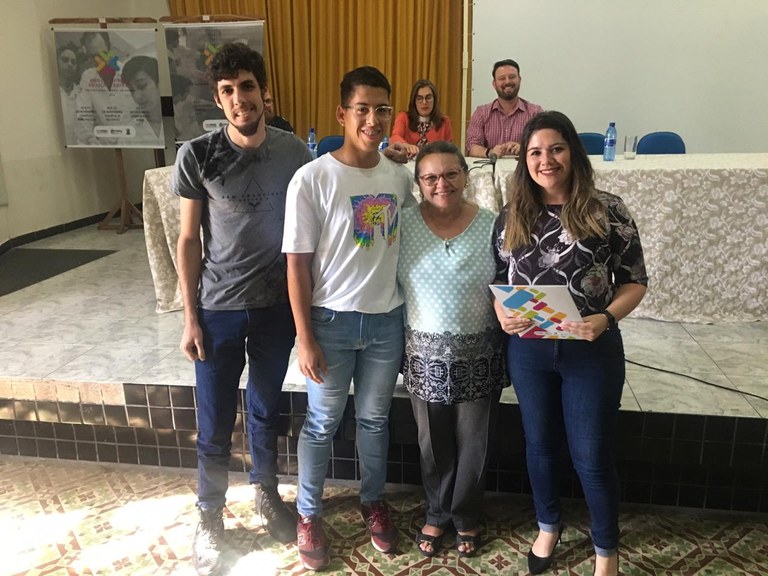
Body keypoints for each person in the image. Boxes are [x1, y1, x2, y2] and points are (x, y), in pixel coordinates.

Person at [173, 43, 312, 576]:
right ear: (218, 99)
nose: (239, 99)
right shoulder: (198, 155)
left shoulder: (294, 153)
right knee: (213, 422)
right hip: (218, 309)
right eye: (228, 91)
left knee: (265, 409)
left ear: (263, 91)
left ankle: (266, 493)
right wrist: (190, 316)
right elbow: (189, 240)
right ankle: (209, 515)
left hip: (276, 308)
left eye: (247, 87)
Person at [492, 111, 647, 576]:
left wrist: (606, 317)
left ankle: (606, 550)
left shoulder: (607, 210)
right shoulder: (512, 214)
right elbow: (498, 277)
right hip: (529, 351)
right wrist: (500, 309)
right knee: (539, 447)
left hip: (591, 352)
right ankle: (548, 525)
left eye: (556, 149)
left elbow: (635, 281)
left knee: (592, 457)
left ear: (573, 153)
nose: (546, 160)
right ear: (524, 160)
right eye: (535, 152)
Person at [282, 65, 415, 571]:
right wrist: (305, 336)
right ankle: (309, 513)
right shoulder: (313, 178)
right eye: (362, 109)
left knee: (375, 419)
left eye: (382, 109)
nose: (372, 120)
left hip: (385, 323)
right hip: (331, 325)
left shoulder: (398, 177)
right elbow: (296, 264)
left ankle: (372, 500)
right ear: (342, 113)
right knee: (322, 422)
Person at [397, 141, 508, 559]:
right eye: (430, 177)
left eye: (450, 174)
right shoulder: (402, 223)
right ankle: (437, 511)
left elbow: (508, 280)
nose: (441, 184)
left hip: (479, 353)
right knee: (432, 441)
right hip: (423, 356)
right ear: (418, 183)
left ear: (465, 175)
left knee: (475, 442)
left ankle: (465, 514)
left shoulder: (492, 224)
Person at [465, 59, 542, 158]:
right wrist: (490, 152)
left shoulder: (535, 113)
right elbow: (471, 146)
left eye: (512, 77)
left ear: (519, 80)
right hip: (491, 167)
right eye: (502, 78)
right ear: (494, 84)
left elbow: (543, 144)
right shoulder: (481, 113)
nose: (507, 81)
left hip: (525, 167)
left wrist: (524, 149)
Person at [390, 79, 453, 158]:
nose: (424, 102)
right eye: (419, 98)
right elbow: (394, 137)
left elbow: (449, 151)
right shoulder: (403, 117)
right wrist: (406, 145)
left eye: (428, 97)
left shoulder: (445, 122)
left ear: (434, 100)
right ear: (414, 101)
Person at [121, 55, 164, 145]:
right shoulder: (128, 133)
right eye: (131, 90)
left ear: (159, 83)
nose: (137, 96)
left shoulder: (180, 120)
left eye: (142, 86)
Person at [56, 43, 81, 144]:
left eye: (73, 62)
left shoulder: (83, 94)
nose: (70, 64)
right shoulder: (49, 91)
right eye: (65, 60)